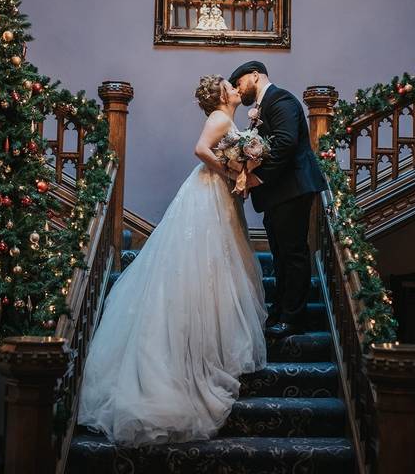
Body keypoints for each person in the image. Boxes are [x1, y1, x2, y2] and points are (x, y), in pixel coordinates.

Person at [77, 75, 267, 447]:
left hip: (218, 194)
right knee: (205, 264)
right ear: (221, 96)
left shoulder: (229, 120)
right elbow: (200, 150)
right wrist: (232, 172)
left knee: (222, 265)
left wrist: (242, 170)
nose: (235, 89)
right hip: (208, 192)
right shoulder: (219, 117)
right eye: (230, 86)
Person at [229, 61, 327, 338]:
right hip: (278, 193)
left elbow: (285, 142)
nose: (239, 89)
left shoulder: (280, 99)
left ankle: (294, 318)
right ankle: (280, 312)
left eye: (239, 83)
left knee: (293, 254)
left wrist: (258, 179)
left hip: (292, 189)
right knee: (281, 255)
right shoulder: (263, 106)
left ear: (255, 76)